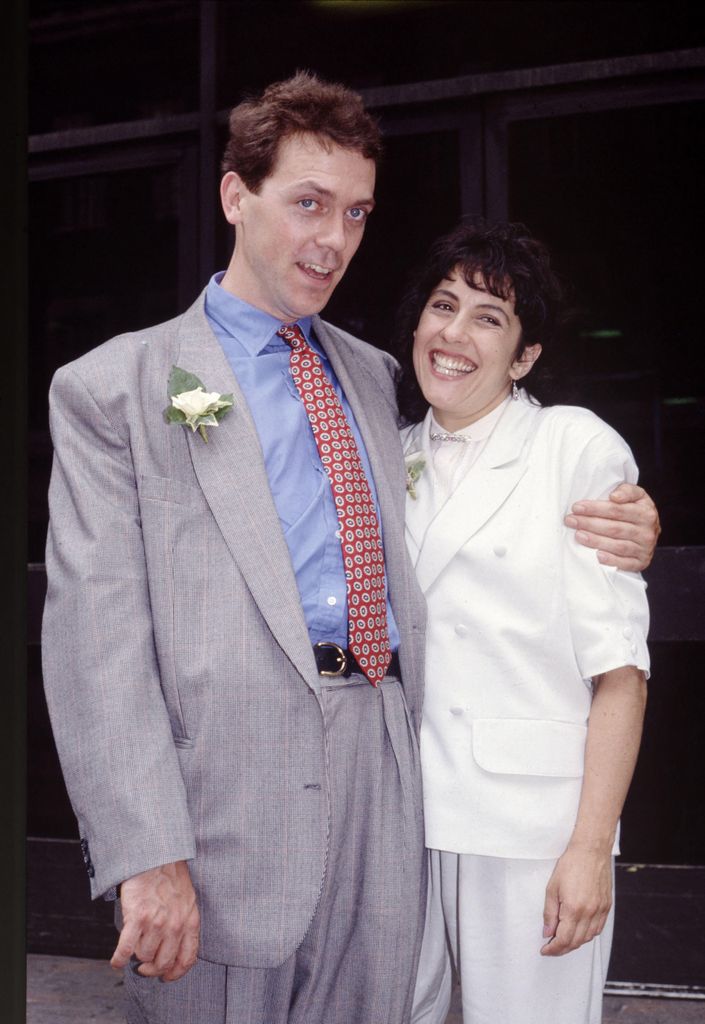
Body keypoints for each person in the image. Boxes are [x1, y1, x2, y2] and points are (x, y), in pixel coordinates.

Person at [41, 73, 658, 1024]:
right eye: (307, 204)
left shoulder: (373, 379)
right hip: (218, 809)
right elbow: (95, 646)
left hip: (388, 779)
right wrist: (143, 852)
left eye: (356, 213)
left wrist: (628, 523)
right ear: (234, 196)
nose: (332, 239)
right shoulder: (116, 388)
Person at [396, 221, 651, 1024]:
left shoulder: (568, 445)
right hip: (404, 816)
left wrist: (588, 849)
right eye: (443, 304)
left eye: (488, 318)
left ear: (526, 355)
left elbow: (618, 673)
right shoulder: (385, 450)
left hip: (528, 825)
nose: (454, 334)